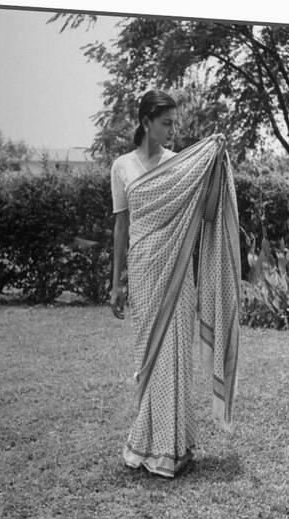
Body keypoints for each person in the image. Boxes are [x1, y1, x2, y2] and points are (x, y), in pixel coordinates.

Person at [110, 90, 241, 478]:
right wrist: (115, 281)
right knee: (149, 355)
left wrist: (216, 158)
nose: (172, 130)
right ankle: (147, 442)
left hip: (177, 270)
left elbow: (208, 206)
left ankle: (174, 446)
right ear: (146, 121)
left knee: (176, 353)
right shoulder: (122, 167)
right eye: (166, 123)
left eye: (174, 123)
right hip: (144, 267)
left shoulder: (180, 165)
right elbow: (121, 225)